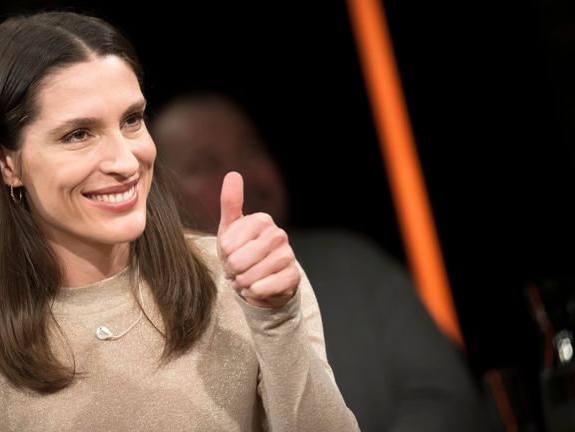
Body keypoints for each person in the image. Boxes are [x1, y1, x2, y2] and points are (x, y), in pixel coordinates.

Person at [0, 11, 359, 431]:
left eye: (132, 120)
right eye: (78, 134)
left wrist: (275, 318)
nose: (125, 160)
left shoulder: (242, 278)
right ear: (8, 163)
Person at [152, 93, 491, 431]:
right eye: (206, 164)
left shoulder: (355, 264)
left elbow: (446, 399)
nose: (243, 174)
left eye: (250, 149)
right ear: (164, 196)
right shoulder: (151, 308)